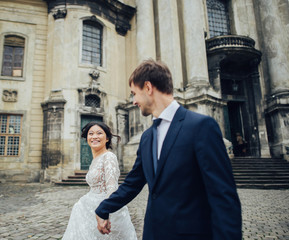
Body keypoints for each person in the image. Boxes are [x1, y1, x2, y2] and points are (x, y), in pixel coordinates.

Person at [95, 59, 242, 240]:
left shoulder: (202, 127)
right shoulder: (147, 137)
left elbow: (224, 198)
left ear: (148, 88)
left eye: (134, 93)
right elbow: (133, 182)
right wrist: (104, 208)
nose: (133, 101)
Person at [62, 121, 137, 240]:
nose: (94, 137)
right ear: (87, 138)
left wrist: (105, 211)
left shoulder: (109, 157)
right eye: (91, 133)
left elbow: (112, 188)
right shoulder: (95, 159)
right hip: (87, 208)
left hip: (103, 207)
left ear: (107, 138)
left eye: (99, 133)